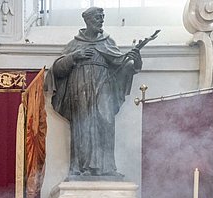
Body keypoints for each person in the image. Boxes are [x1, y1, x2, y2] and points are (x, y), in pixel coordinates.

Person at [46, 6, 143, 178]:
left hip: (104, 88)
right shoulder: (75, 44)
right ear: (88, 20)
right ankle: (80, 168)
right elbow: (57, 69)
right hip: (80, 88)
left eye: (102, 18)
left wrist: (135, 62)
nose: (101, 21)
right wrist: (75, 56)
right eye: (98, 18)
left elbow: (122, 64)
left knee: (106, 123)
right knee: (82, 126)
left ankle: (107, 168)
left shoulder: (108, 42)